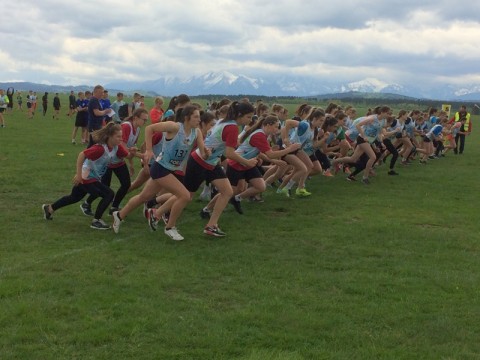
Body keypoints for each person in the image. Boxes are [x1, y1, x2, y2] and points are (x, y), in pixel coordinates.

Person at [112, 105, 206, 241]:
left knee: (143, 197)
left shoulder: (196, 132)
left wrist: (207, 153)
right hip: (160, 168)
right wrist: (149, 150)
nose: (199, 119)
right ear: (187, 118)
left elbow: (203, 153)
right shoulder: (174, 127)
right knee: (185, 195)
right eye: (196, 116)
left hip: (171, 169)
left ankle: (119, 215)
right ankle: (169, 227)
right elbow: (150, 128)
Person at [184, 101, 258, 237]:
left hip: (210, 162)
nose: (249, 120)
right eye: (248, 117)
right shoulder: (232, 127)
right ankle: (155, 207)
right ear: (239, 115)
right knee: (185, 196)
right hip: (199, 162)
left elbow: (221, 143)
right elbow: (229, 153)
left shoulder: (224, 121)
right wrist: (246, 162)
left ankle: (211, 226)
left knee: (227, 191)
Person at [42, 123, 128, 229]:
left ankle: (49, 208)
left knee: (74, 197)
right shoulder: (100, 148)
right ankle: (96, 221)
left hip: (92, 178)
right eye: (118, 136)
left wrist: (141, 154)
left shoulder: (116, 147)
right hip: (87, 177)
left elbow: (127, 154)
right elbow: (82, 155)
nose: (121, 139)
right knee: (109, 194)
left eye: (121, 136)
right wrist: (79, 175)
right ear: (109, 136)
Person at [81, 108, 148, 216]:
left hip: (118, 161)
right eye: (144, 119)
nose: (145, 122)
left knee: (126, 184)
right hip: (109, 161)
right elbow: (123, 147)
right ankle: (87, 203)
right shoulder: (127, 126)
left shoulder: (138, 129)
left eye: (146, 120)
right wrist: (143, 156)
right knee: (104, 187)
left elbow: (130, 148)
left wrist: (131, 164)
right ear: (135, 118)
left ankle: (114, 207)